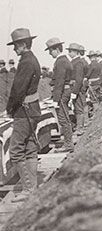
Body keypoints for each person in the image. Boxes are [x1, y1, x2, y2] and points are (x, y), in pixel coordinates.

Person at [5, 28, 41, 202]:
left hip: (23, 111)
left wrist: (9, 109)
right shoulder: (32, 59)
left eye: (16, 45)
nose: (14, 49)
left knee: (16, 150)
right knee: (30, 148)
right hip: (32, 110)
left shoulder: (26, 62)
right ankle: (32, 187)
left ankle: (28, 189)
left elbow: (18, 89)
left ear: (23, 44)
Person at [46, 37, 74, 152]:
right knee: (64, 118)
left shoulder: (61, 61)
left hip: (62, 92)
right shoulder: (64, 60)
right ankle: (68, 143)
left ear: (57, 49)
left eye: (50, 50)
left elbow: (60, 81)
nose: (49, 53)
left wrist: (56, 99)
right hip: (63, 91)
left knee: (63, 118)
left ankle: (68, 144)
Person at [68, 43, 88, 135]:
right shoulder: (75, 61)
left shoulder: (78, 62)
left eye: (70, 51)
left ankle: (80, 128)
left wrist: (74, 92)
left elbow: (79, 79)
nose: (69, 53)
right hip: (75, 87)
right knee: (77, 108)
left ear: (76, 52)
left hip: (77, 88)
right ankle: (79, 126)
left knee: (79, 108)